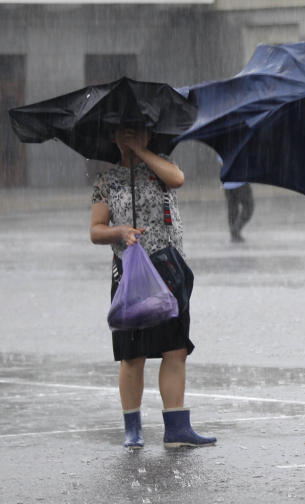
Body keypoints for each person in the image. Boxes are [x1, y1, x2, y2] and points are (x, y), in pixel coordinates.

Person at [90, 125, 216, 449]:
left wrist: (142, 153)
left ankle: (177, 428)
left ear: (148, 137)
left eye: (139, 132)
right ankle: (133, 428)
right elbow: (95, 230)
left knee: (175, 348)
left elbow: (178, 179)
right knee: (132, 353)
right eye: (124, 132)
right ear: (114, 137)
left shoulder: (161, 167)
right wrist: (120, 231)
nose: (130, 137)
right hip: (130, 270)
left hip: (167, 267)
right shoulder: (107, 180)